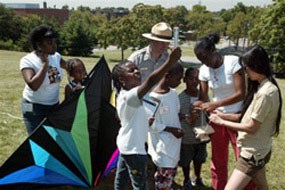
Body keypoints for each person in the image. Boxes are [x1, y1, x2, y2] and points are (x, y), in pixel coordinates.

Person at [209, 45, 282, 190]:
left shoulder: (265, 93)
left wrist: (222, 122)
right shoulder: (263, 88)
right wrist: (223, 115)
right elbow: (245, 118)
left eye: (247, 68)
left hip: (252, 155)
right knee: (262, 187)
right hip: (260, 151)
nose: (246, 73)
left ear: (256, 66)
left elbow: (251, 127)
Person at [112, 47, 181, 190]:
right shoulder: (129, 96)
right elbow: (151, 81)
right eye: (131, 71)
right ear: (121, 79)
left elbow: (135, 117)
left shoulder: (132, 96)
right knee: (140, 185)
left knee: (121, 180)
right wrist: (170, 62)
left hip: (126, 145)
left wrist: (146, 122)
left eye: (136, 69)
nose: (136, 71)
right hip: (134, 150)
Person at [194, 33, 245, 190]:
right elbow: (203, 96)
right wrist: (199, 105)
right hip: (217, 120)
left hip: (237, 117)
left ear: (213, 50)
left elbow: (240, 93)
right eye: (201, 60)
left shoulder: (233, 62)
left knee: (243, 159)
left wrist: (215, 104)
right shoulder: (204, 70)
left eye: (205, 58)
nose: (204, 63)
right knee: (218, 160)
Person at [20, 24, 66, 135]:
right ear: (39, 44)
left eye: (54, 42)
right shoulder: (28, 60)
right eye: (49, 43)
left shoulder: (56, 56)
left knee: (54, 140)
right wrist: (45, 64)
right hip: (34, 108)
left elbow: (70, 67)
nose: (54, 45)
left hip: (54, 106)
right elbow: (33, 85)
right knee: (37, 141)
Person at [147, 63, 184, 190]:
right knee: (164, 175)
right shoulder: (153, 98)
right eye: (178, 78)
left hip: (174, 143)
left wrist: (185, 117)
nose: (180, 82)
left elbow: (175, 113)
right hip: (161, 145)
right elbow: (150, 125)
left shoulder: (173, 93)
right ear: (167, 76)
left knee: (171, 172)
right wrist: (171, 130)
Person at [178, 68, 208, 190]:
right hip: (187, 135)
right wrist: (187, 117)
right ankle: (186, 179)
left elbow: (208, 114)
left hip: (201, 133)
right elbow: (176, 114)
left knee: (199, 158)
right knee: (186, 160)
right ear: (185, 79)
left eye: (197, 79)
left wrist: (208, 131)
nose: (194, 82)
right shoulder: (180, 98)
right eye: (191, 78)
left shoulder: (203, 97)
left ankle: (197, 177)